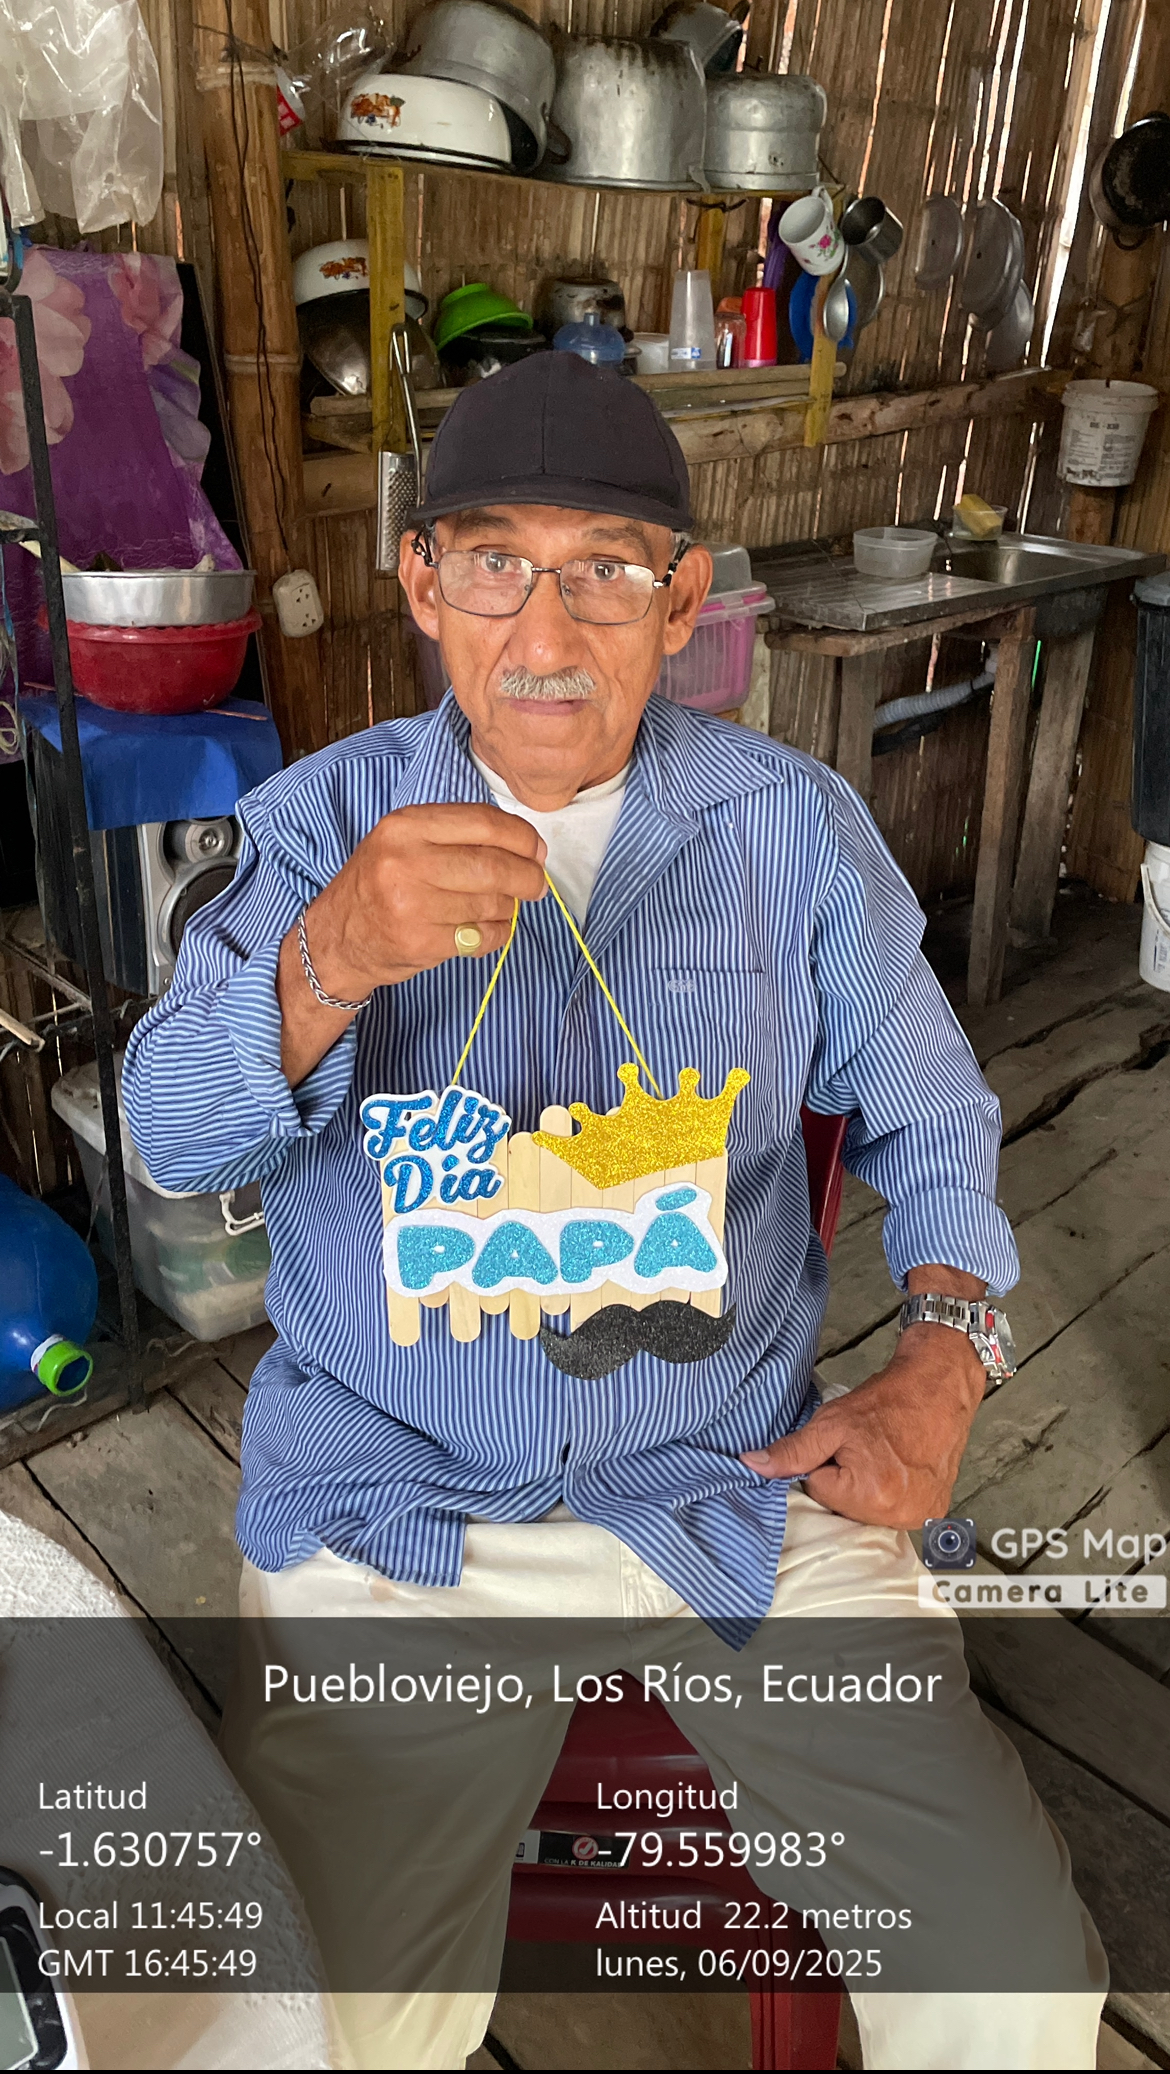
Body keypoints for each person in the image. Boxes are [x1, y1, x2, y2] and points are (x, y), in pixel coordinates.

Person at [123, 353, 1105, 2069]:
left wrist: (947, 1354)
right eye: (495, 561)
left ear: (682, 599)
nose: (545, 628)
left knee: (1010, 1979)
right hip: (398, 1507)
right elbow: (171, 1134)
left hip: (729, 1480)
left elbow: (931, 1106)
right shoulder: (316, 830)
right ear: (422, 582)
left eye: (604, 568)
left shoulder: (787, 831)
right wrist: (327, 960)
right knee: (310, 2027)